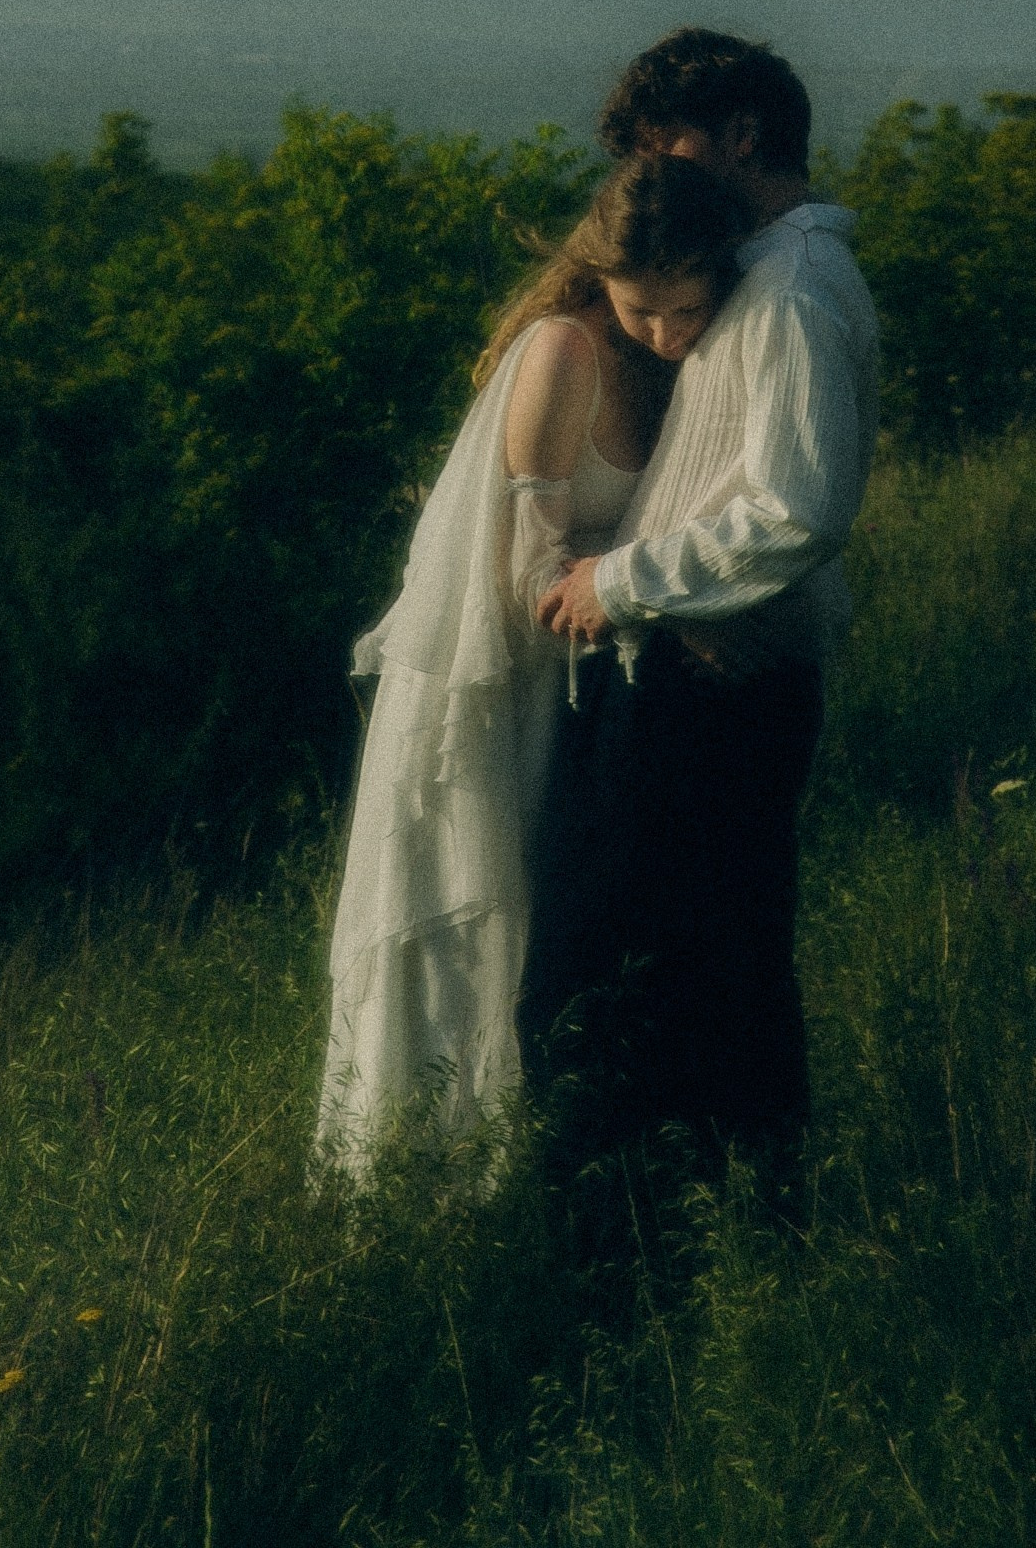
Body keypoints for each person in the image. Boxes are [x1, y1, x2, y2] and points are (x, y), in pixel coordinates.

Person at [316, 153, 745, 1169]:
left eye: (686, 310)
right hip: (492, 689)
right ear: (602, 280)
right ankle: (418, 1168)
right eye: (643, 312)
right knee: (470, 919)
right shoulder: (564, 353)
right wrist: (639, 587)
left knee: (553, 932)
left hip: (579, 690)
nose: (667, 334)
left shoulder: (687, 361)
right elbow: (529, 574)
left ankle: (529, 1155)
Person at [525, 29, 879, 1184]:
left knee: (637, 979)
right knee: (689, 979)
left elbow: (795, 511)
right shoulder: (753, 278)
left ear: (741, 136)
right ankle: (704, 1220)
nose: (650, 178)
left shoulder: (792, 292)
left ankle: (644, 1234)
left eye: (664, 147)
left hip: (711, 687)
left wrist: (618, 582)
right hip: (690, 675)